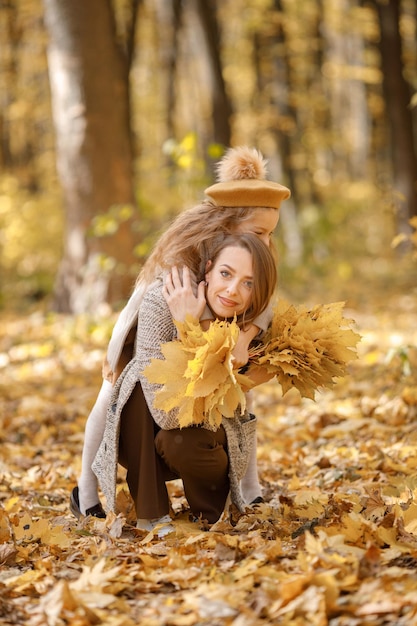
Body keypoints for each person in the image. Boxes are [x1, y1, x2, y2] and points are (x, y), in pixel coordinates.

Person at [70, 145, 291, 521]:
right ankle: (86, 491)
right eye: (259, 232)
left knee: (238, 398)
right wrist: (205, 332)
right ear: (229, 224)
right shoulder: (188, 258)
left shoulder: (250, 257)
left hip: (213, 333)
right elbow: (170, 306)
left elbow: (266, 302)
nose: (267, 242)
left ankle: (249, 489)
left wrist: (246, 334)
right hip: (151, 330)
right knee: (111, 395)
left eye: (271, 234)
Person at [92, 232, 278, 531]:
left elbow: (208, 414)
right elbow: (166, 415)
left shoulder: (253, 326)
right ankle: (151, 514)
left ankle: (210, 513)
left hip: (205, 441)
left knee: (179, 441)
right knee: (141, 378)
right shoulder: (161, 300)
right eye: (225, 273)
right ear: (207, 270)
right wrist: (185, 325)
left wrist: (244, 335)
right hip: (144, 432)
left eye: (248, 283)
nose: (233, 291)